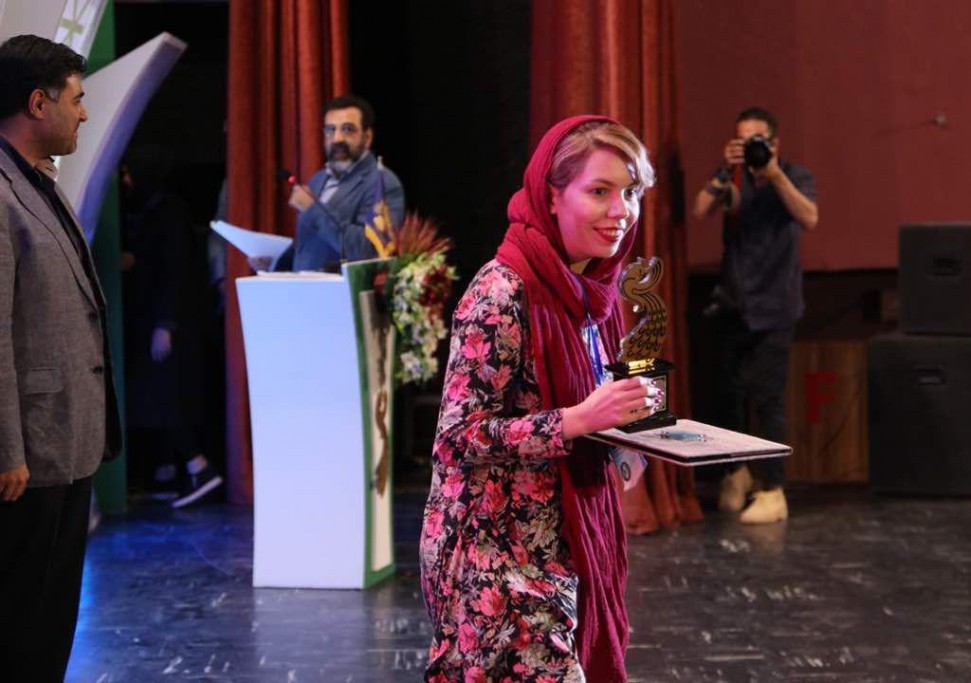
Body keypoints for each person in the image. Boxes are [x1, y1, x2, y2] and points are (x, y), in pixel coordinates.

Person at [420, 116, 660, 682]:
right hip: (494, 552)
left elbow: (596, 402)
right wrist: (578, 420)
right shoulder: (502, 290)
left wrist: (632, 424)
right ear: (552, 197)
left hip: (561, 545)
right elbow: (459, 436)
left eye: (630, 192)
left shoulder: (595, 292)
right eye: (599, 191)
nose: (620, 210)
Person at [0, 35, 122, 681]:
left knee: (50, 620)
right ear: (37, 103)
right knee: (24, 623)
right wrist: (7, 450)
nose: (84, 113)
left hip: (66, 442)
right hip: (29, 457)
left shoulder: (40, 181)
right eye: (76, 99)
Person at [692, 106, 818, 524]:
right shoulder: (733, 178)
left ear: (774, 143)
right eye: (743, 141)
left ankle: (773, 489)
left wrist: (774, 173)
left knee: (768, 398)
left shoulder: (794, 176)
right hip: (734, 303)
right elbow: (700, 209)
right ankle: (736, 472)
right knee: (728, 396)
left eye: (757, 141)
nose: (750, 149)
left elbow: (809, 217)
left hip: (776, 306)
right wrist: (722, 172)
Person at [120, 145, 222, 507]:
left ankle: (199, 467)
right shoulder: (149, 209)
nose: (126, 181)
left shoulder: (169, 211)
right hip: (154, 320)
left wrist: (165, 325)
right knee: (154, 395)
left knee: (165, 396)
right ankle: (166, 473)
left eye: (129, 173)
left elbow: (175, 272)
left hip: (168, 324)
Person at [254, 94, 405, 272]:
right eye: (330, 130)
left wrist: (313, 209)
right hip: (305, 287)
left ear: (367, 137)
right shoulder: (318, 180)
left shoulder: (382, 182)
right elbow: (312, 248)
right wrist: (275, 262)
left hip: (345, 290)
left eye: (347, 129)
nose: (337, 138)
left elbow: (369, 251)